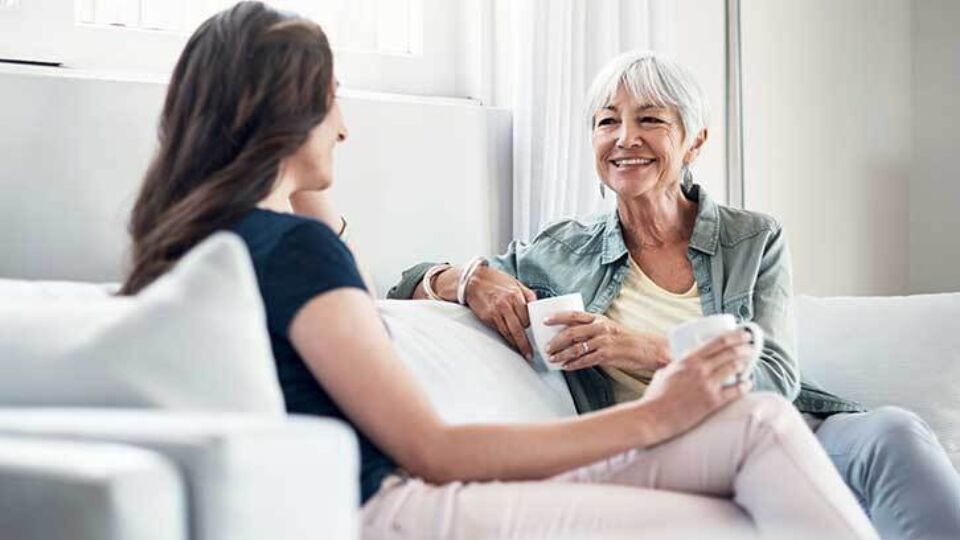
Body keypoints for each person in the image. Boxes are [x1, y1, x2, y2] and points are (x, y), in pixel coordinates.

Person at [120, 4, 878, 539]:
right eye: (332, 101)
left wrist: (294, 176)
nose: (346, 126)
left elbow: (325, 236)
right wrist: (657, 412)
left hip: (400, 497)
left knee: (763, 421)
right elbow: (434, 452)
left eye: (649, 119)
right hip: (400, 508)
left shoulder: (202, 243)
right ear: (285, 115)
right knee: (740, 513)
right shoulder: (292, 253)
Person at [390, 50, 960, 540]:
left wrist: (635, 347)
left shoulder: (752, 238)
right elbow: (404, 283)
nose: (624, 138)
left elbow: (774, 382)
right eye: (606, 120)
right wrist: (464, 278)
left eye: (650, 119)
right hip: (663, 447)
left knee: (894, 431)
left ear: (694, 140)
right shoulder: (562, 251)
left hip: (785, 426)